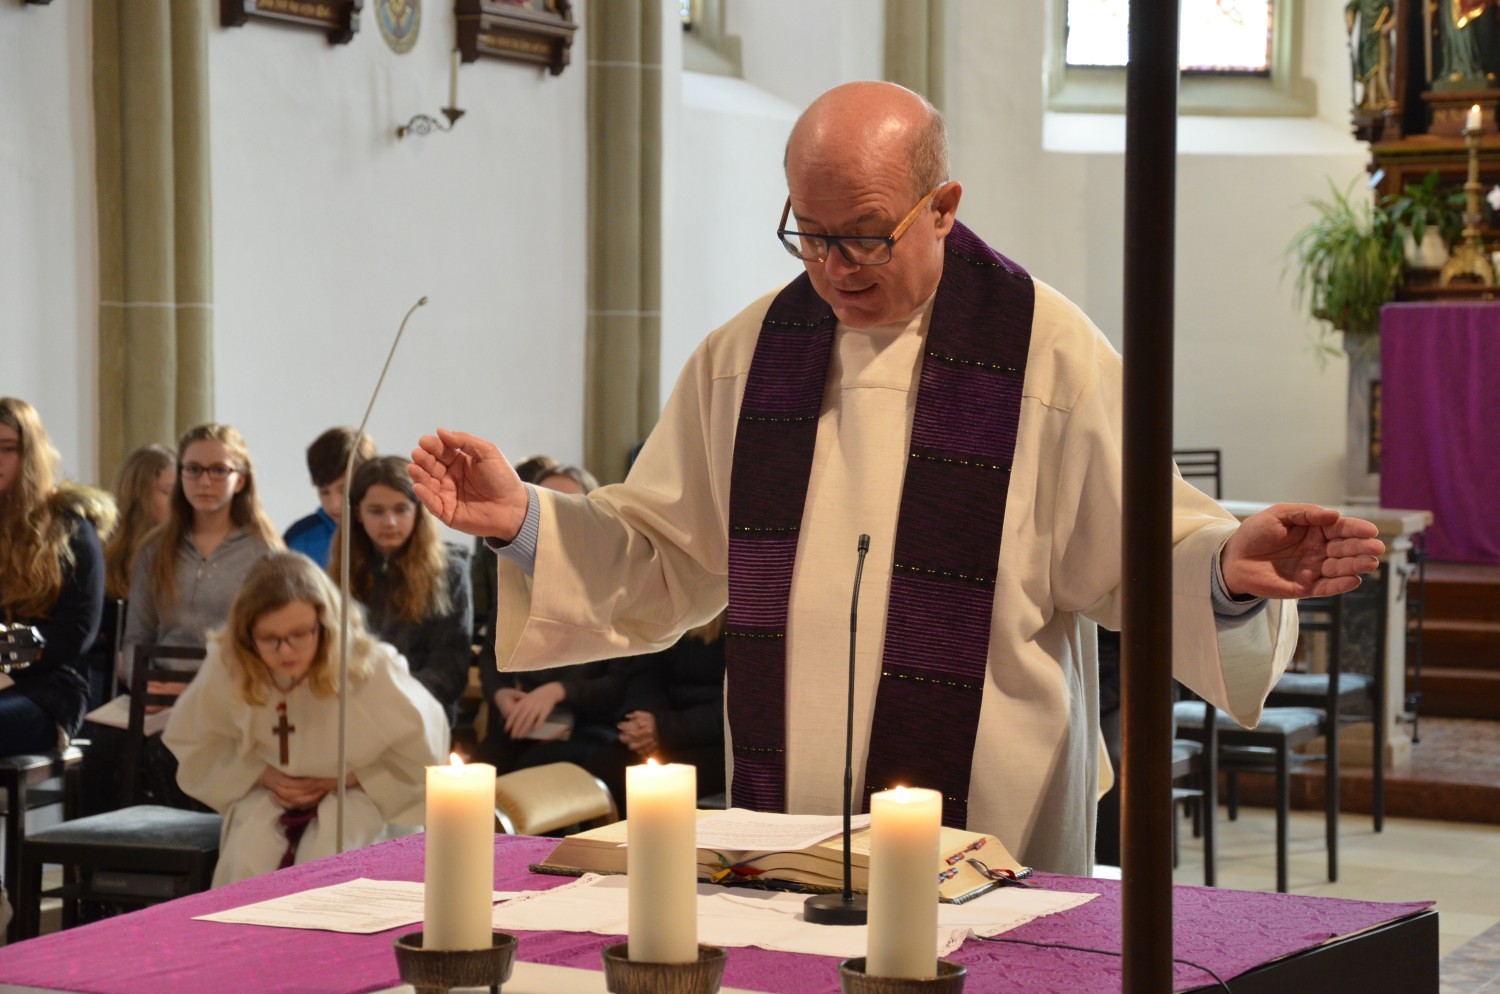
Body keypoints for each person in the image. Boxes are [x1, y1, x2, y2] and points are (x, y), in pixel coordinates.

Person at [409, 81, 1386, 874]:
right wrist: (526, 520)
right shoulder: (747, 359)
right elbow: (666, 555)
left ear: (944, 208)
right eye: (810, 233)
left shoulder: (1046, 356)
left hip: (991, 827)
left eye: (866, 233)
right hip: (788, 826)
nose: (835, 266)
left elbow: (1139, 548)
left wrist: (1226, 570)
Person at [163, 552, 447, 886]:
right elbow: (195, 742)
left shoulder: (366, 667)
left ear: (325, 625)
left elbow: (425, 751)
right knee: (247, 862)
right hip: (270, 794)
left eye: (300, 634)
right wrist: (261, 773)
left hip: (358, 796)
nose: (286, 651)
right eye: (269, 639)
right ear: (245, 634)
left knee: (333, 864)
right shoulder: (232, 664)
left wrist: (347, 778)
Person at [85, 423, 281, 814]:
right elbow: (136, 635)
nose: (204, 481)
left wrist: (195, 690)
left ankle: (191, 852)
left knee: (170, 754)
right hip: (156, 698)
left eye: (218, 470)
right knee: (101, 752)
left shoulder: (265, 553)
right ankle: (106, 855)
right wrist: (146, 684)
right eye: (193, 470)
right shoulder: (155, 548)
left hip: (229, 700)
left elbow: (270, 646)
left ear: (241, 479)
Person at [472, 463, 630, 774]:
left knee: (532, 770)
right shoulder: (519, 574)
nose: (557, 514)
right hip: (527, 721)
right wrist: (499, 693)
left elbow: (620, 682)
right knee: (477, 773)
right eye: (546, 502)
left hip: (590, 725)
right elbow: (491, 652)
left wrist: (559, 691)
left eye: (569, 504)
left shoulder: (616, 579)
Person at [0, 397, 114, 756]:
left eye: (7, 448)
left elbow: (75, 632)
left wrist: (3, 653)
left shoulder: (70, 528)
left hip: (47, 691)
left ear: (31, 455)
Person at [328, 455, 472, 726]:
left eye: (401, 509)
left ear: (418, 510)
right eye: (376, 511)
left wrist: (388, 702)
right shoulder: (341, 571)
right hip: (352, 715)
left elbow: (449, 669)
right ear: (357, 513)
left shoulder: (449, 572)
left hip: (421, 715)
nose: (390, 522)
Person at [283, 427, 377, 568]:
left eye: (344, 490)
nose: (334, 504)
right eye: (324, 492)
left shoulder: (387, 529)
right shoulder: (299, 539)